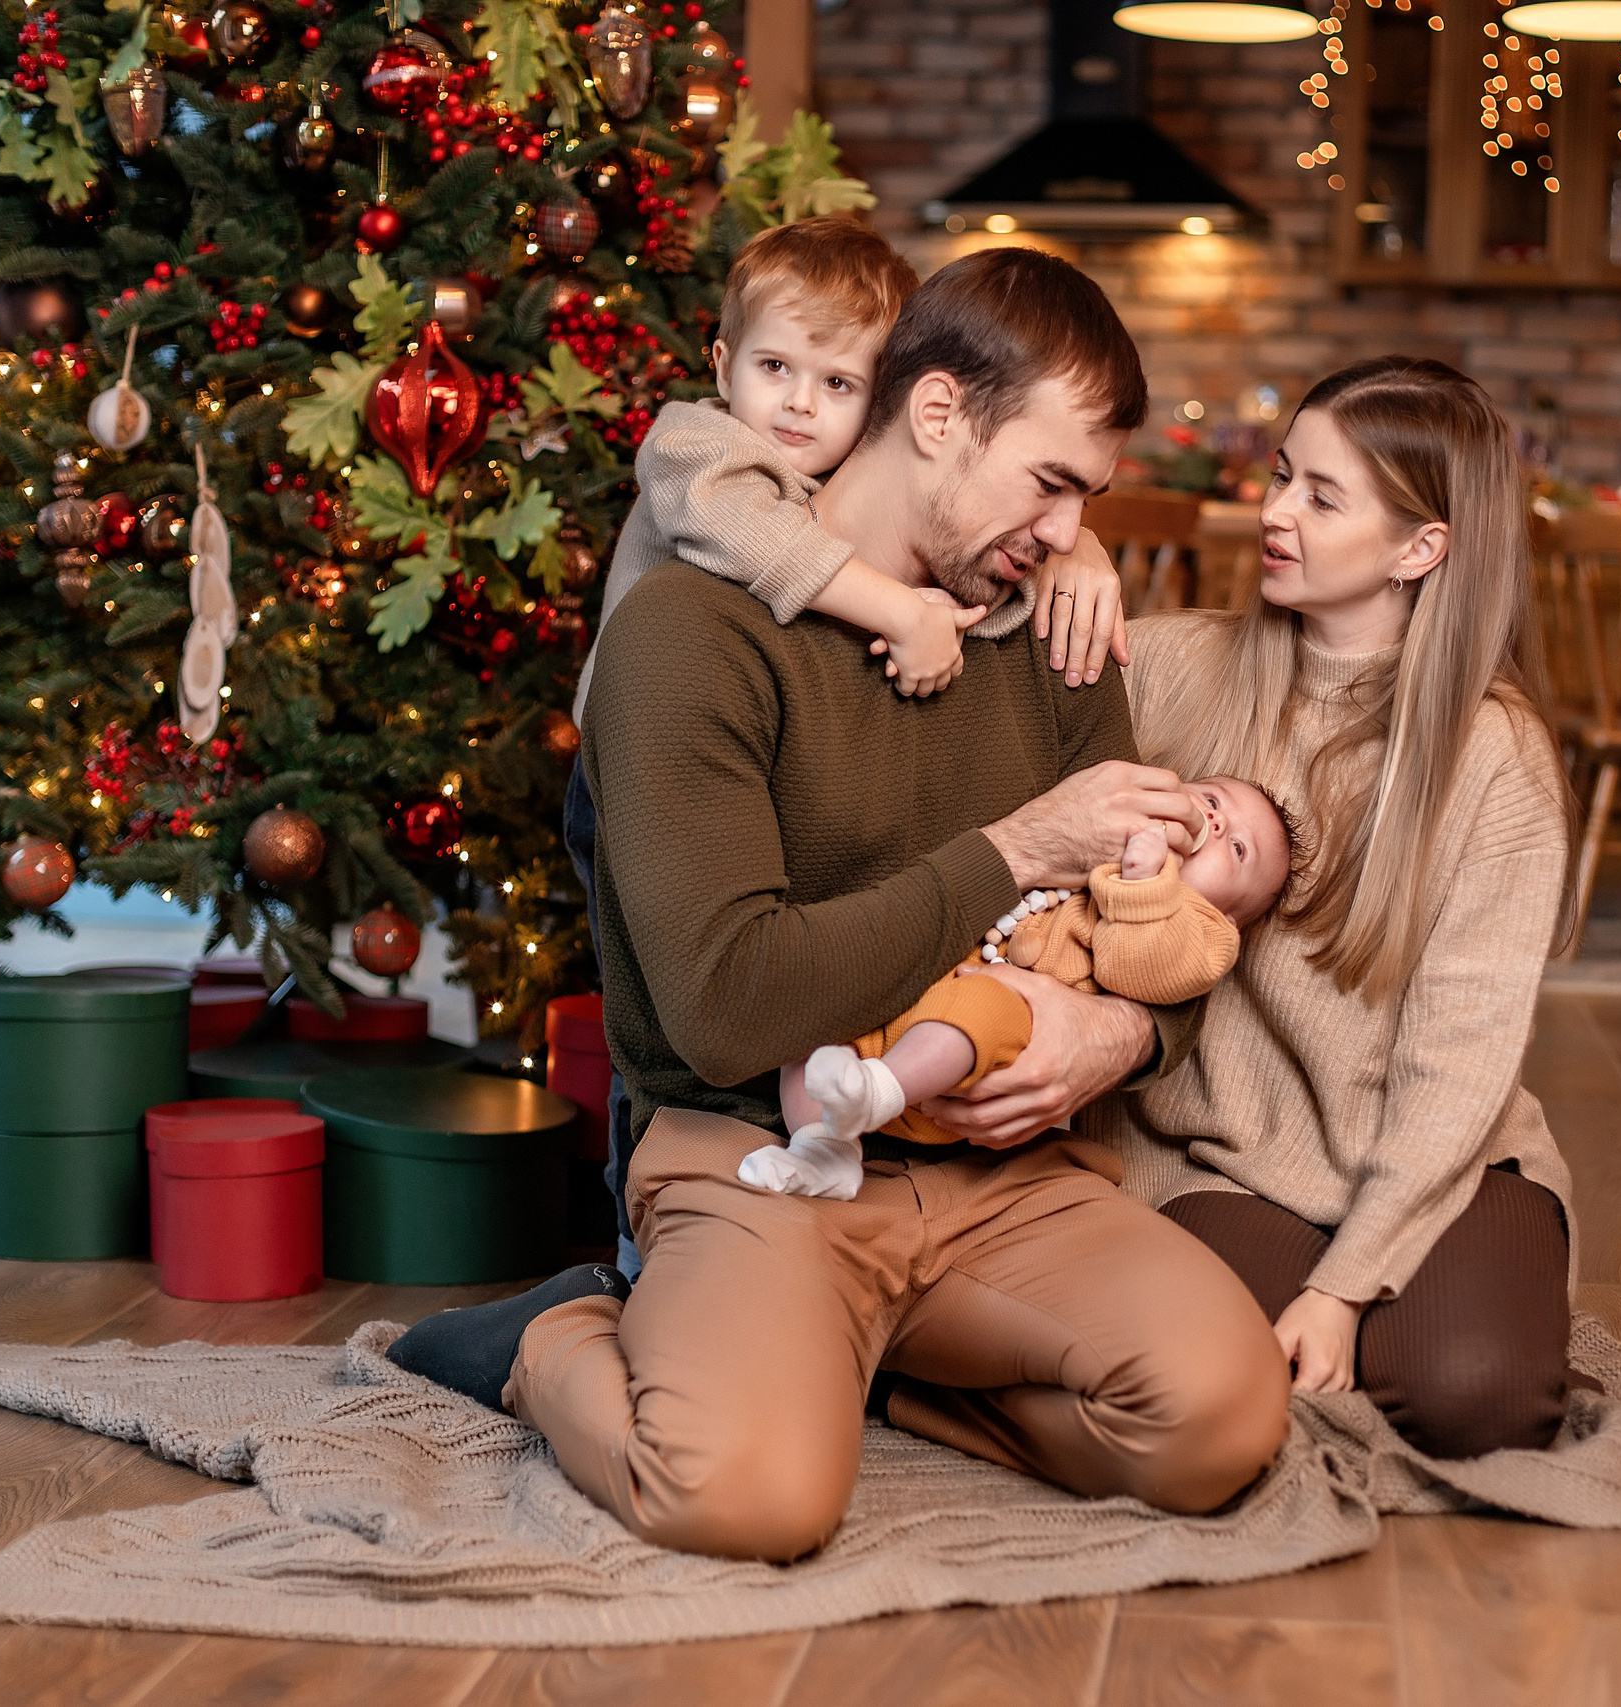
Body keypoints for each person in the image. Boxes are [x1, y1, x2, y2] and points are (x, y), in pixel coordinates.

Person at [392, 247, 1293, 1561]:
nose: (1065, 534)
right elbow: (724, 1005)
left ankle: (854, 1364)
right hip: (761, 1154)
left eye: (1084, 500)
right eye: (1050, 485)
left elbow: (1138, 933)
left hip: (1000, 1178)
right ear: (937, 415)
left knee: (1218, 1421)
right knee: (742, 1498)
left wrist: (1131, 1038)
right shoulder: (689, 635)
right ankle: (548, 1337)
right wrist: (1012, 845)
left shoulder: (1052, 634)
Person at [557, 216, 1132, 1270]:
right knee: (653, 1007)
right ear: (935, 414)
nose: (800, 405)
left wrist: (1073, 541)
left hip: (950, 1153)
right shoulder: (713, 480)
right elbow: (770, 547)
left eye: (836, 383)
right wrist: (903, 614)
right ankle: (620, 1280)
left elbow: (1145, 913)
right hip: (641, 789)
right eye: (1049, 484)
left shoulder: (1041, 607)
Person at [1098, 356, 1580, 1461]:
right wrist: (1077, 555)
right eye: (1280, 478)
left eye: (1322, 496)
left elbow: (1460, 1063)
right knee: (1215, 1372)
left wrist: (1349, 1286)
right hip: (1222, 1154)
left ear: (1422, 548)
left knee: (1480, 1401)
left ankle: (1397, 1314)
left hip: (1436, 1160)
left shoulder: (1492, 760)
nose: (1274, 514)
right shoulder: (1175, 667)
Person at [746, 776, 1293, 1199]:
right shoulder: (1102, 834)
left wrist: (1146, 884)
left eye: (1239, 850)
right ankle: (824, 1150)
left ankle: (879, 1092)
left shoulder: (1203, 931)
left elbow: (1140, 970)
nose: (1217, 825)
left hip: (1004, 1037)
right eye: (1213, 801)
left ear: (1233, 916)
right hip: (924, 991)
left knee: (984, 1005)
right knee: (820, 1026)